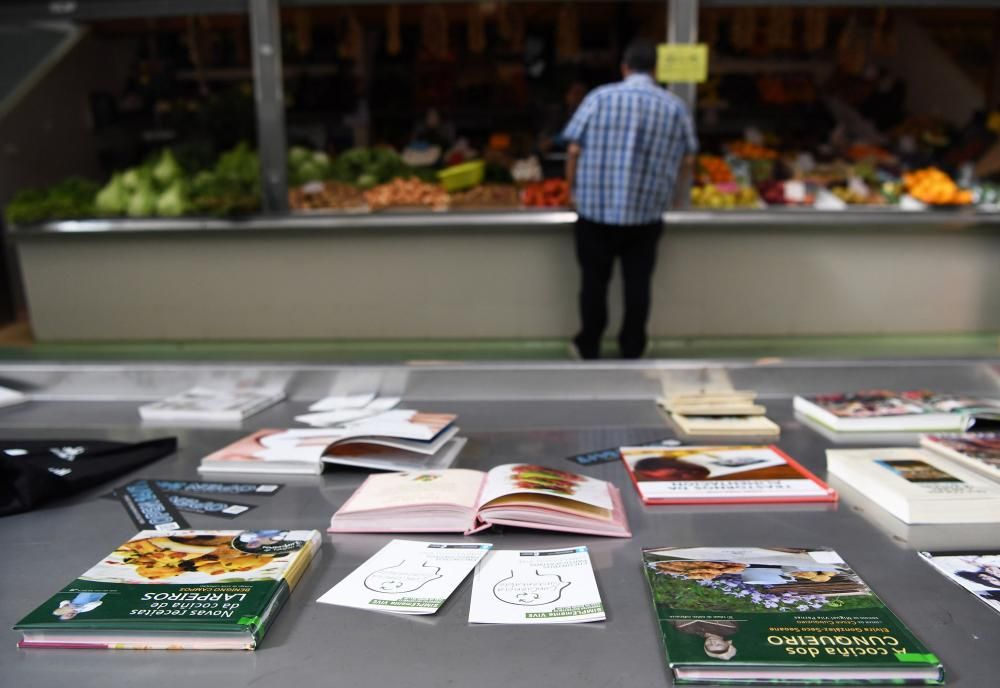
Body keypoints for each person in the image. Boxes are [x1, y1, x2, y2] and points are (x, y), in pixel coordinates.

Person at [562, 38, 697, 359]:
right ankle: (632, 348)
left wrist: (572, 191)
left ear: (624, 67)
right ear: (656, 69)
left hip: (595, 211)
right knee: (638, 284)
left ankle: (589, 346)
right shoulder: (674, 105)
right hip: (646, 214)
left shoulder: (599, 98)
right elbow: (689, 159)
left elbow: (573, 148)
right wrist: (677, 196)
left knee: (594, 282)